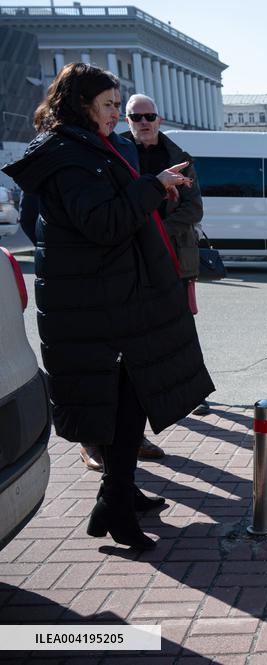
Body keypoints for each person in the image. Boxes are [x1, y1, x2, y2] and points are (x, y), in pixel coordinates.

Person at [2, 63, 214, 550]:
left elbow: (118, 209)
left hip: (118, 296)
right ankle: (114, 503)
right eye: (109, 105)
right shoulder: (63, 154)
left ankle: (119, 492)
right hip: (97, 304)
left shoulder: (92, 147)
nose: (118, 114)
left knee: (129, 397)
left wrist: (158, 190)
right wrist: (151, 187)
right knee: (120, 401)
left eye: (119, 105)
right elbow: (101, 222)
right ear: (80, 105)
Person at [121, 93, 210, 419]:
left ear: (159, 119)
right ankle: (141, 395)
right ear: (127, 120)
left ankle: (191, 393)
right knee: (135, 330)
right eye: (136, 117)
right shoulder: (117, 153)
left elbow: (194, 207)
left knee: (180, 327)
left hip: (173, 256)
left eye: (149, 116)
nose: (143, 123)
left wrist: (157, 230)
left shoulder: (179, 156)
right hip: (127, 257)